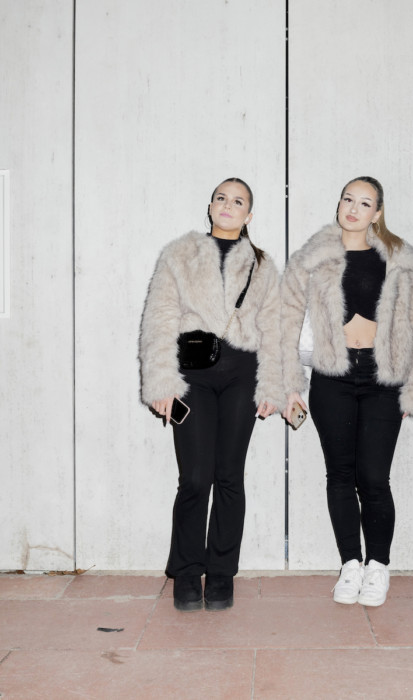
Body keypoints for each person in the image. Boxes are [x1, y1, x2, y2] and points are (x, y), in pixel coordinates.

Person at [281, 176, 413, 607]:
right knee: (340, 475)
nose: (353, 208)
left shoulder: (397, 259)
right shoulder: (311, 259)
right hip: (332, 374)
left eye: (364, 203)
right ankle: (350, 563)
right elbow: (286, 324)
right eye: (347, 198)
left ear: (377, 212)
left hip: (383, 377)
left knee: (374, 477)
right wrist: (290, 385)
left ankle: (378, 565)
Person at [139, 178, 283, 612]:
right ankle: (186, 572)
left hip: (243, 376)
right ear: (210, 206)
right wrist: (161, 382)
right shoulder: (179, 254)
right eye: (221, 198)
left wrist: (273, 384)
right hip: (192, 378)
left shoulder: (261, 264)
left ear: (248, 215)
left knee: (229, 477)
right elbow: (159, 318)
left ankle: (221, 573)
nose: (228, 205)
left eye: (238, 201)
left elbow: (274, 327)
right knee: (195, 477)